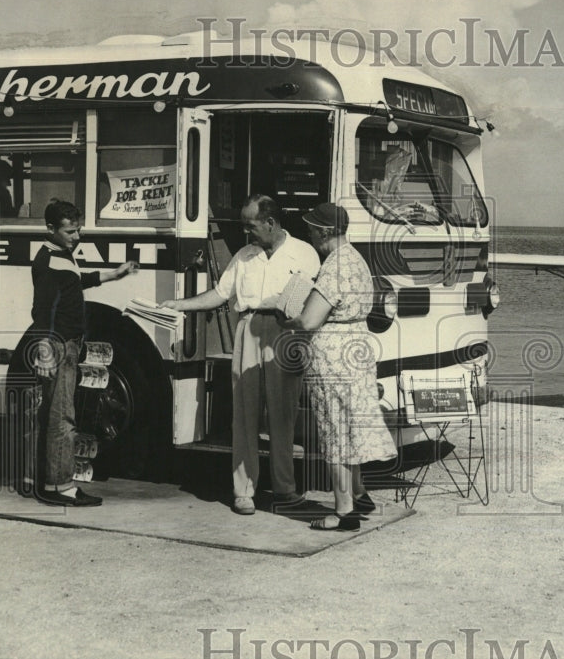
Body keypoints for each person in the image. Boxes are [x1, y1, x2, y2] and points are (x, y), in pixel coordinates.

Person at [162, 195, 320, 515]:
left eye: (251, 226)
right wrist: (179, 305)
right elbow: (220, 294)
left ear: (271, 223)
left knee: (282, 415)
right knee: (245, 415)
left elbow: (315, 301)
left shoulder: (305, 253)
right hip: (248, 329)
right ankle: (243, 490)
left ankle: (285, 490)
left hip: (285, 332)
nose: (247, 232)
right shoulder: (244, 255)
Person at [278, 202, 397, 532]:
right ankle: (359, 494)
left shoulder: (333, 266)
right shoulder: (357, 260)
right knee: (351, 426)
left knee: (334, 432)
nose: (310, 233)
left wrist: (288, 320)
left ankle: (344, 511)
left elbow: (311, 318)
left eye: (313, 229)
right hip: (357, 349)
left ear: (324, 232)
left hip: (332, 356)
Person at [24, 200, 136, 506]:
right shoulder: (48, 261)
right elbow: (42, 311)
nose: (77, 236)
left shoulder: (61, 256)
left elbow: (75, 283)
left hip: (63, 342)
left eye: (78, 230)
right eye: (70, 231)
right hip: (59, 344)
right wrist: (45, 348)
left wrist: (114, 275)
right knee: (63, 418)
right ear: (51, 229)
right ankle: (62, 487)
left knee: (53, 414)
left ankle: (42, 480)